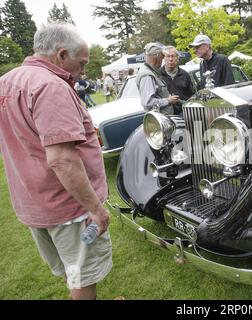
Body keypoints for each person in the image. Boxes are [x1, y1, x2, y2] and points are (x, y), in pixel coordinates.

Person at [0, 23, 112, 300]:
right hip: (68, 206)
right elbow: (62, 159)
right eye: (81, 63)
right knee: (82, 276)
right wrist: (95, 209)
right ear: (62, 55)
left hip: (33, 202)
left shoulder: (7, 81)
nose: (83, 71)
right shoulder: (50, 86)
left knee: (69, 270)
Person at [136, 42, 180, 114]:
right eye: (161, 57)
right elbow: (148, 102)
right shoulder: (147, 75)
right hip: (160, 119)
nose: (162, 60)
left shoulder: (150, 71)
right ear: (156, 57)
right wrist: (168, 100)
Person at [160, 46, 195, 115]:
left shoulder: (185, 75)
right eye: (168, 56)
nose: (170, 59)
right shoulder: (158, 75)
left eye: (173, 56)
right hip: (165, 115)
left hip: (184, 114)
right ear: (164, 58)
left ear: (177, 58)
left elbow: (192, 96)